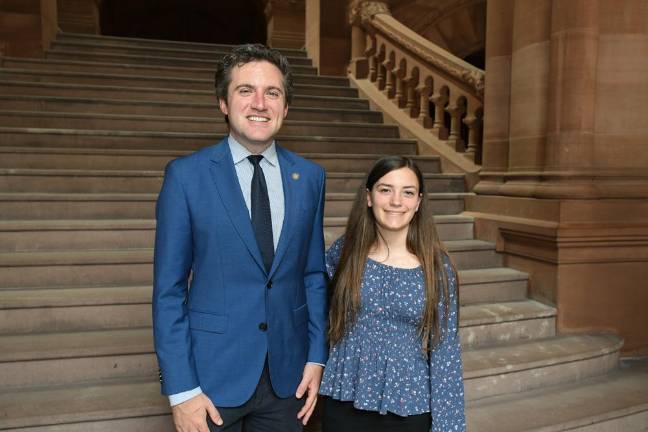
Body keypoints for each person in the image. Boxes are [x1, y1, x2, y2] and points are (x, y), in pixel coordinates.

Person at [153, 44, 328, 432]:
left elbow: (313, 275)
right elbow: (169, 291)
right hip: (211, 383)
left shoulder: (310, 178)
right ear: (223, 102)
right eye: (246, 90)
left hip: (288, 382)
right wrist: (181, 390)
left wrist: (317, 357)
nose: (260, 103)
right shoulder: (186, 177)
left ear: (286, 108)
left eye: (273, 93)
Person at [319, 156, 466, 432]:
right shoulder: (345, 253)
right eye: (386, 189)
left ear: (418, 202)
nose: (396, 201)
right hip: (343, 403)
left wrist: (449, 427)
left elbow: (446, 353)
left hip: (408, 410)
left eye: (407, 192)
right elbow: (314, 312)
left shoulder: (437, 268)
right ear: (369, 197)